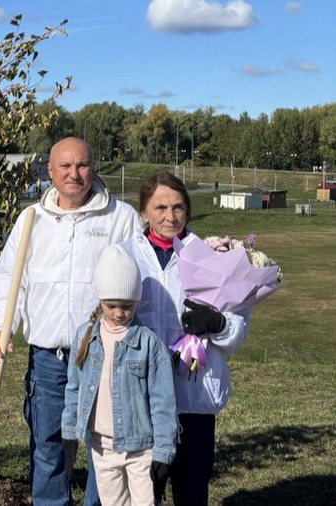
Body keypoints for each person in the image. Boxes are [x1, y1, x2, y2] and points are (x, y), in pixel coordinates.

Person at [0, 137, 143, 506]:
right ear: (50, 172)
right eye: (65, 167)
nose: (75, 174)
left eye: (83, 165)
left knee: (103, 446)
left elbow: (142, 279)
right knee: (48, 446)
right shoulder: (31, 220)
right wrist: (2, 326)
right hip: (48, 358)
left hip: (104, 355)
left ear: (94, 168)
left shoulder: (120, 218)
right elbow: (11, 278)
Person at [119, 173, 248, 505]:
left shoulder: (212, 256)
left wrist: (217, 323)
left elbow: (236, 332)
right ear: (144, 212)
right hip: (143, 399)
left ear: (188, 211)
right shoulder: (125, 256)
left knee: (191, 491)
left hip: (194, 395)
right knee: (145, 493)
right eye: (159, 207)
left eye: (178, 207)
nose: (170, 216)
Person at [62, 244, 177, 506]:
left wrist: (163, 451)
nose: (118, 313)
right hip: (102, 448)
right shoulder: (85, 336)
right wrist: (69, 430)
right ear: (100, 300)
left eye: (126, 305)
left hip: (141, 448)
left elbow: (163, 403)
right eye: (110, 305)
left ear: (137, 300)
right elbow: (74, 387)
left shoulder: (150, 345)